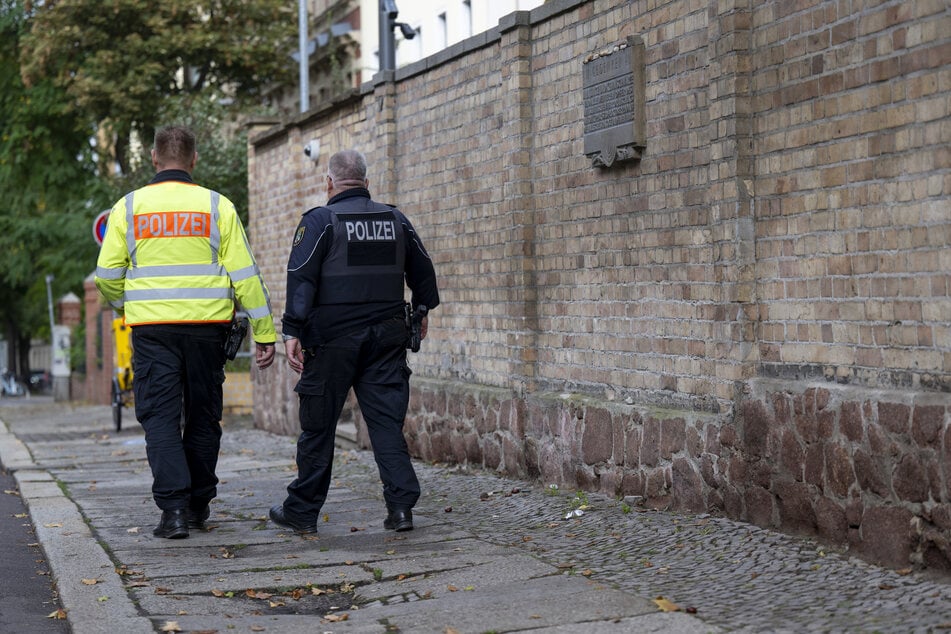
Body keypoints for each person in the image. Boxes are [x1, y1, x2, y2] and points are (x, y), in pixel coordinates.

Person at [95, 125, 277, 539]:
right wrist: (266, 333)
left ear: (155, 159)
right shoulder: (217, 206)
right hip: (206, 331)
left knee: (159, 418)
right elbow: (247, 276)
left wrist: (129, 304)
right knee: (203, 416)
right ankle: (198, 506)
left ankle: (173, 511)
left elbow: (106, 276)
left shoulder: (129, 207)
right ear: (194, 160)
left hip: (152, 330)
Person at [271, 149, 439, 534]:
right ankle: (400, 510)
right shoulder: (395, 219)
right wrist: (423, 310)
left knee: (318, 428)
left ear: (329, 183)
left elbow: (301, 277)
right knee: (384, 424)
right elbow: (423, 272)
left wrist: (292, 329)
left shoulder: (320, 222)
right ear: (366, 183)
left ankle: (302, 513)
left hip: (332, 341)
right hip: (386, 338)